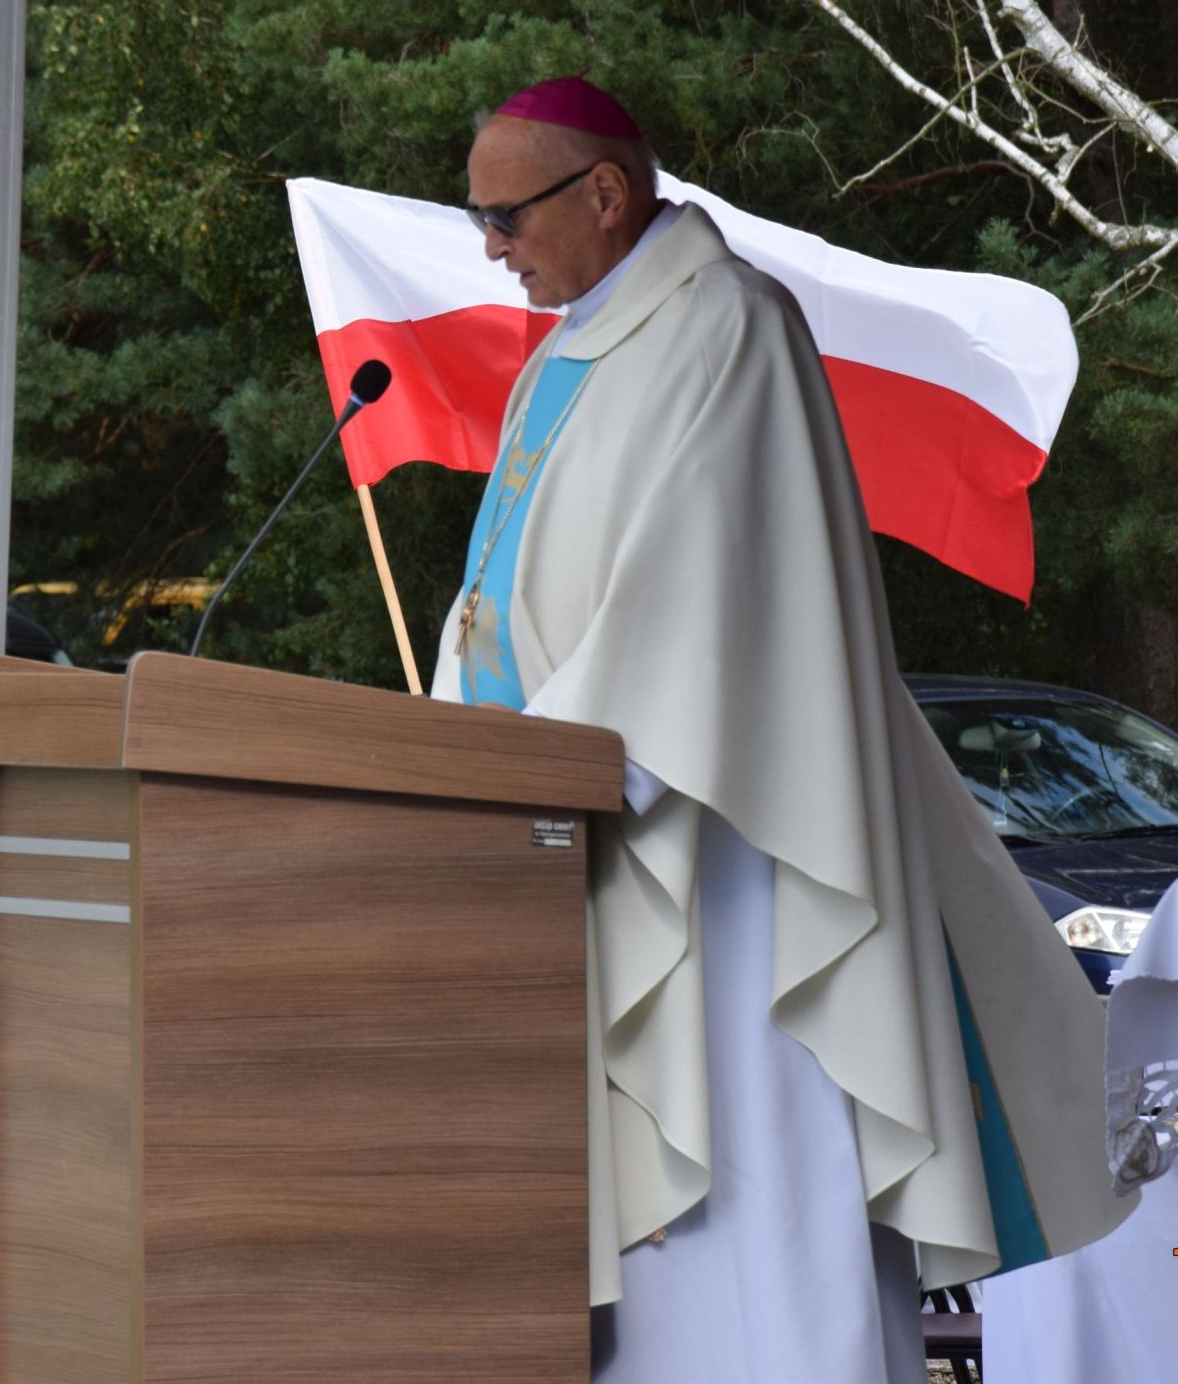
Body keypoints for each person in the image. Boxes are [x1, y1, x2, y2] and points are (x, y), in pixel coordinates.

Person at [434, 76, 1131, 1384]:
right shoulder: (562, 353)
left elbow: (694, 615)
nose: (488, 246)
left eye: (504, 215)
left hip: (722, 849)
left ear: (603, 191)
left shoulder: (727, 327)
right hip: (580, 836)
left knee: (745, 1164)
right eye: (476, 217)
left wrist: (538, 763)